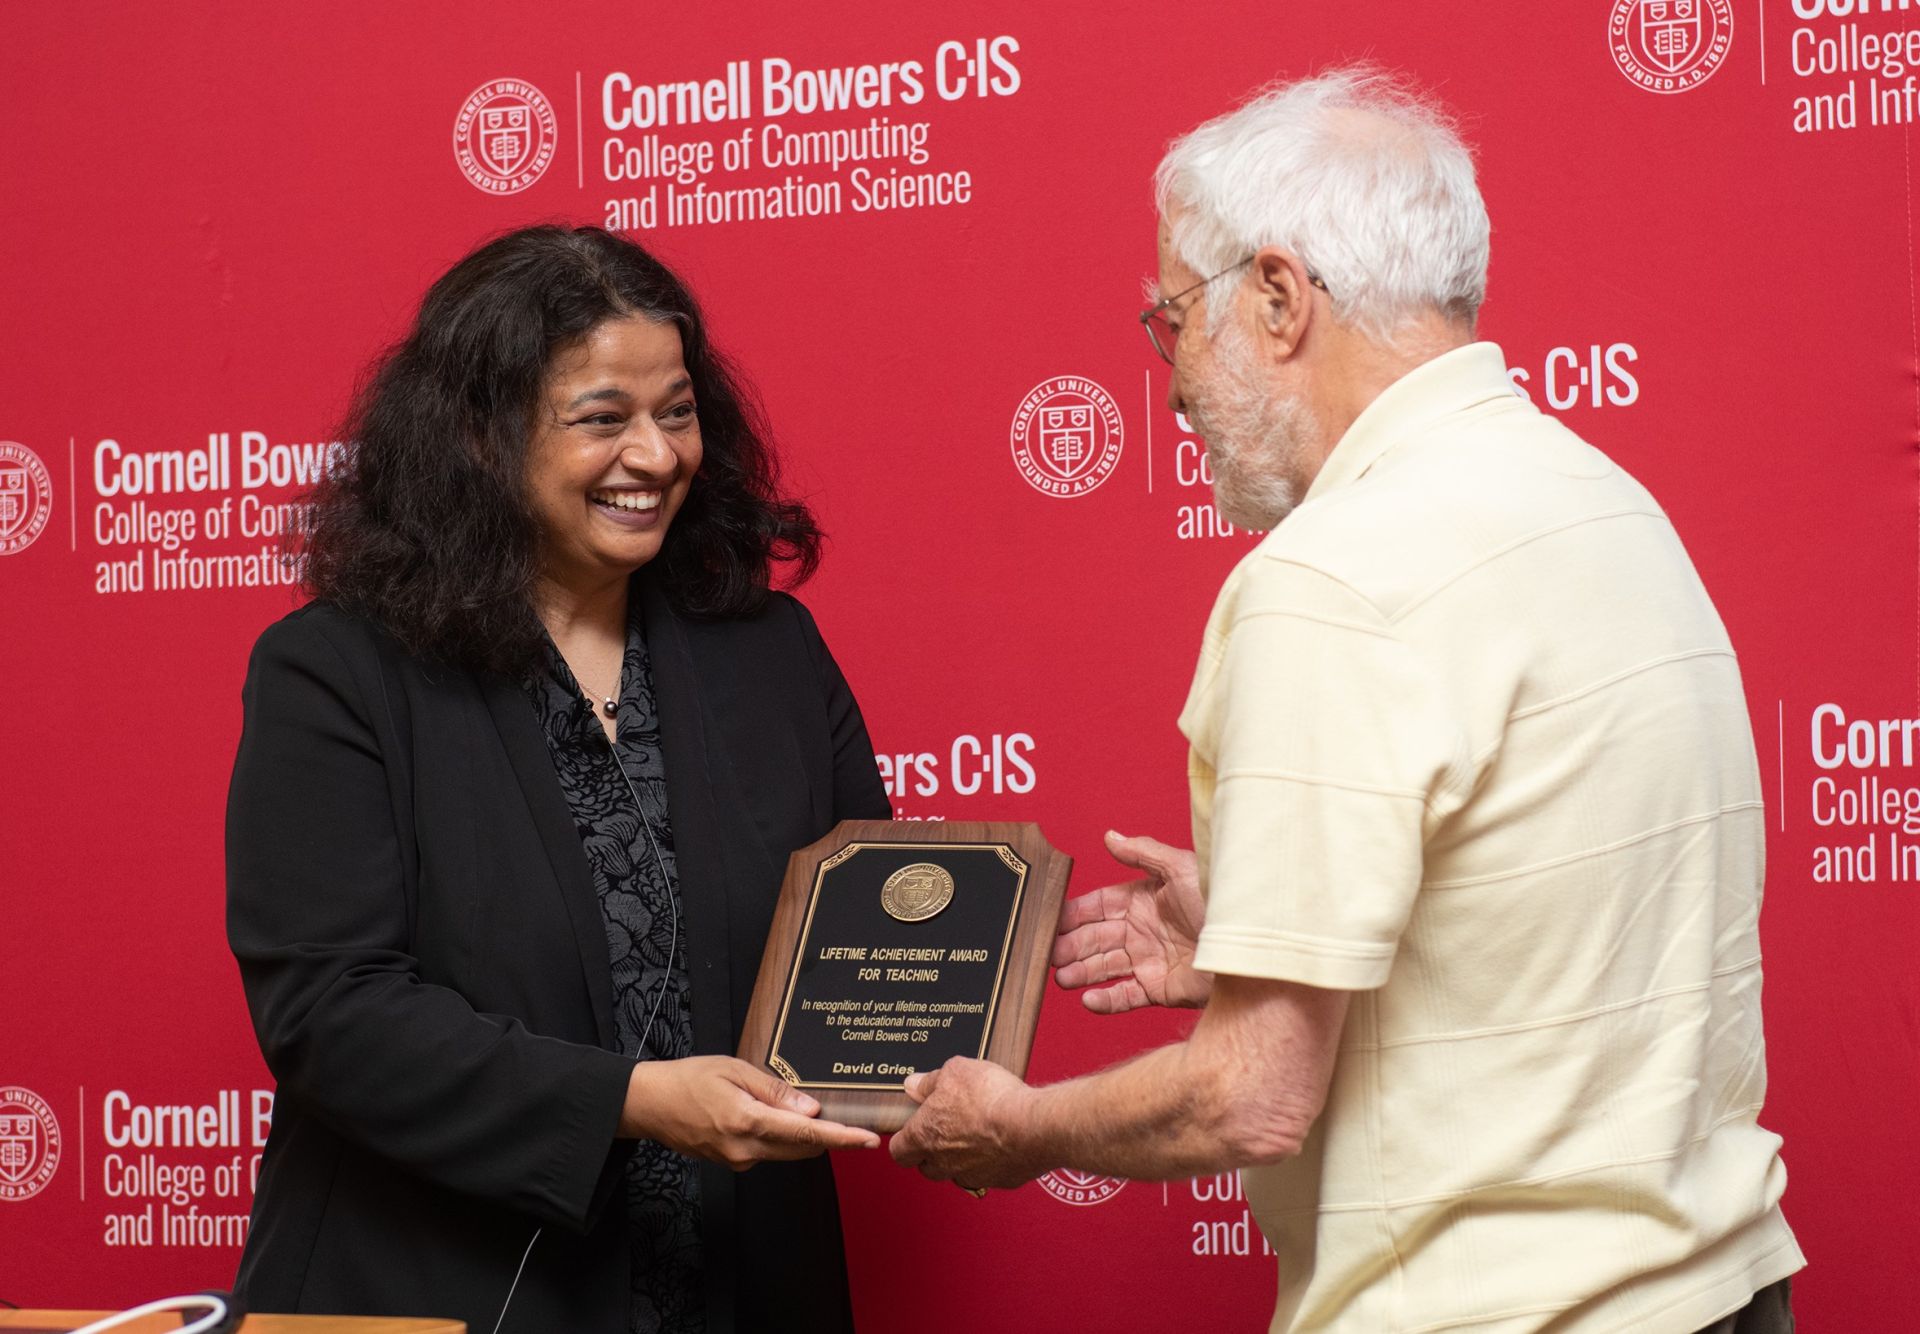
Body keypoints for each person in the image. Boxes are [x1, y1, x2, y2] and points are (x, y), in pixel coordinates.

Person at [891, 69, 1804, 1333]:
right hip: (1726, 1290)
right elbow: (1542, 941)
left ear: (1277, 298)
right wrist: (1260, 949)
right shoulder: (1606, 499)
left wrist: (1020, 1124)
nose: (1170, 388)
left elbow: (1248, 1100)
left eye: (1172, 322)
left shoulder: (1330, 575)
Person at [226, 225, 885, 1333]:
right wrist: (631, 1103)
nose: (658, 455)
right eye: (602, 419)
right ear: (481, 438)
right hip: (443, 1291)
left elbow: (866, 932)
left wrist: (963, 1012)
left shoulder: (771, 653)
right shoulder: (336, 673)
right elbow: (332, 1013)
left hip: (738, 1283)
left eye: (676, 411)